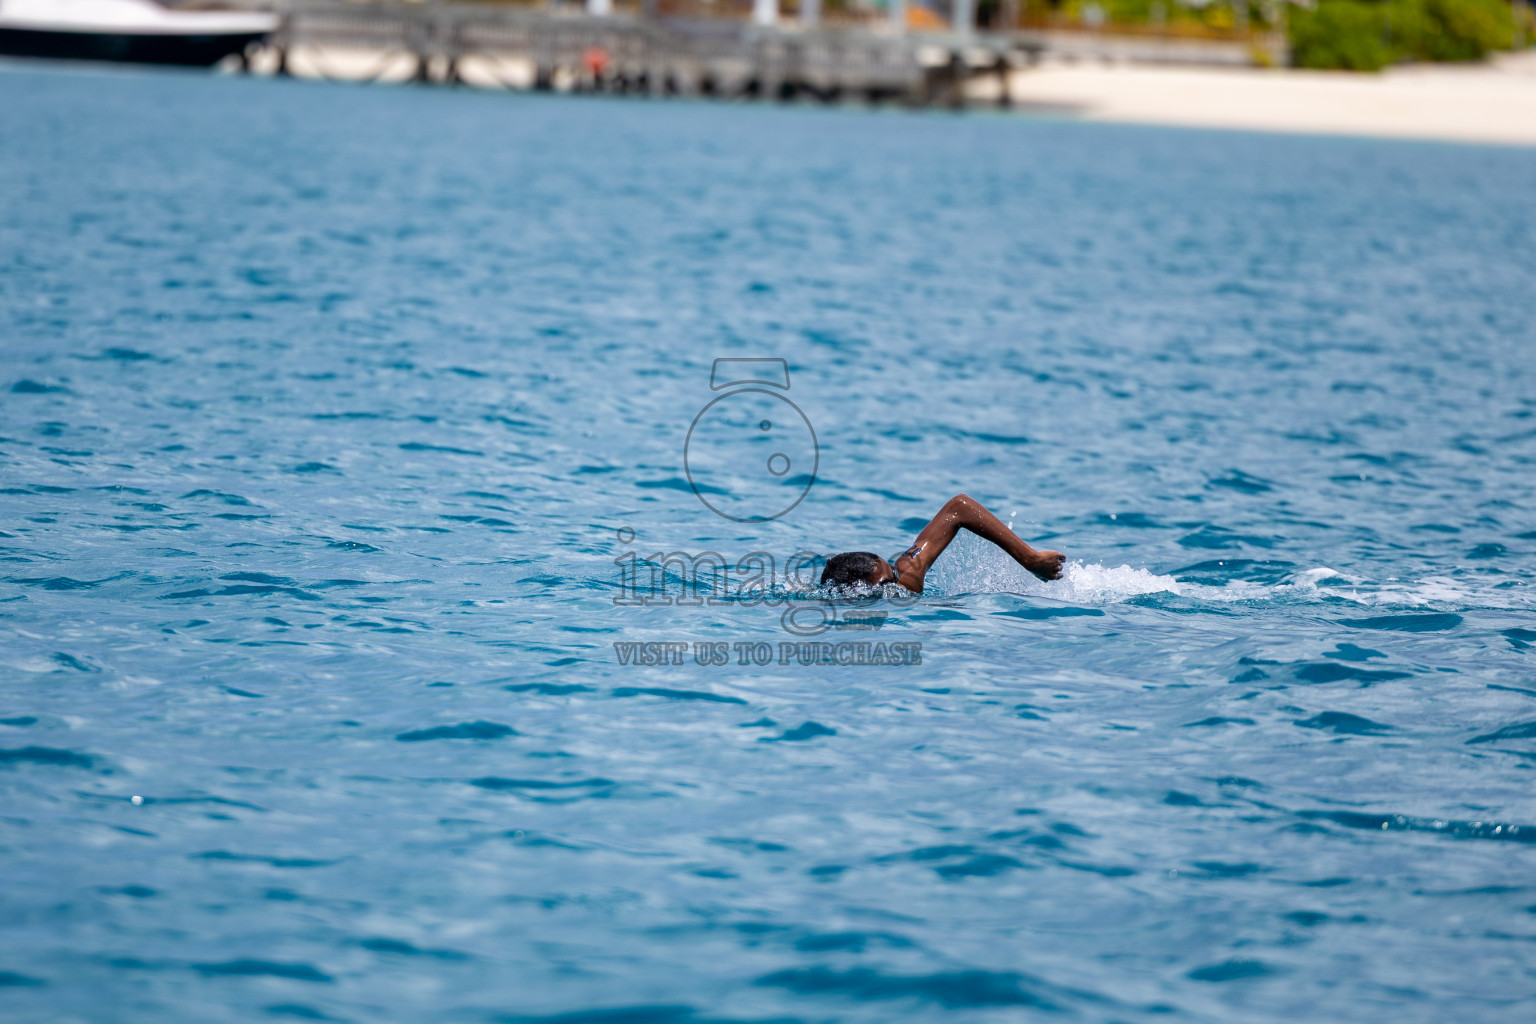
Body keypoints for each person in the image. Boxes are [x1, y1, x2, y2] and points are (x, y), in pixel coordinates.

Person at [820, 494, 1064, 594]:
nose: (899, 582)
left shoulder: (905, 575)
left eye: (893, 572)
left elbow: (959, 507)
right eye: (887, 583)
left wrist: (1029, 559)